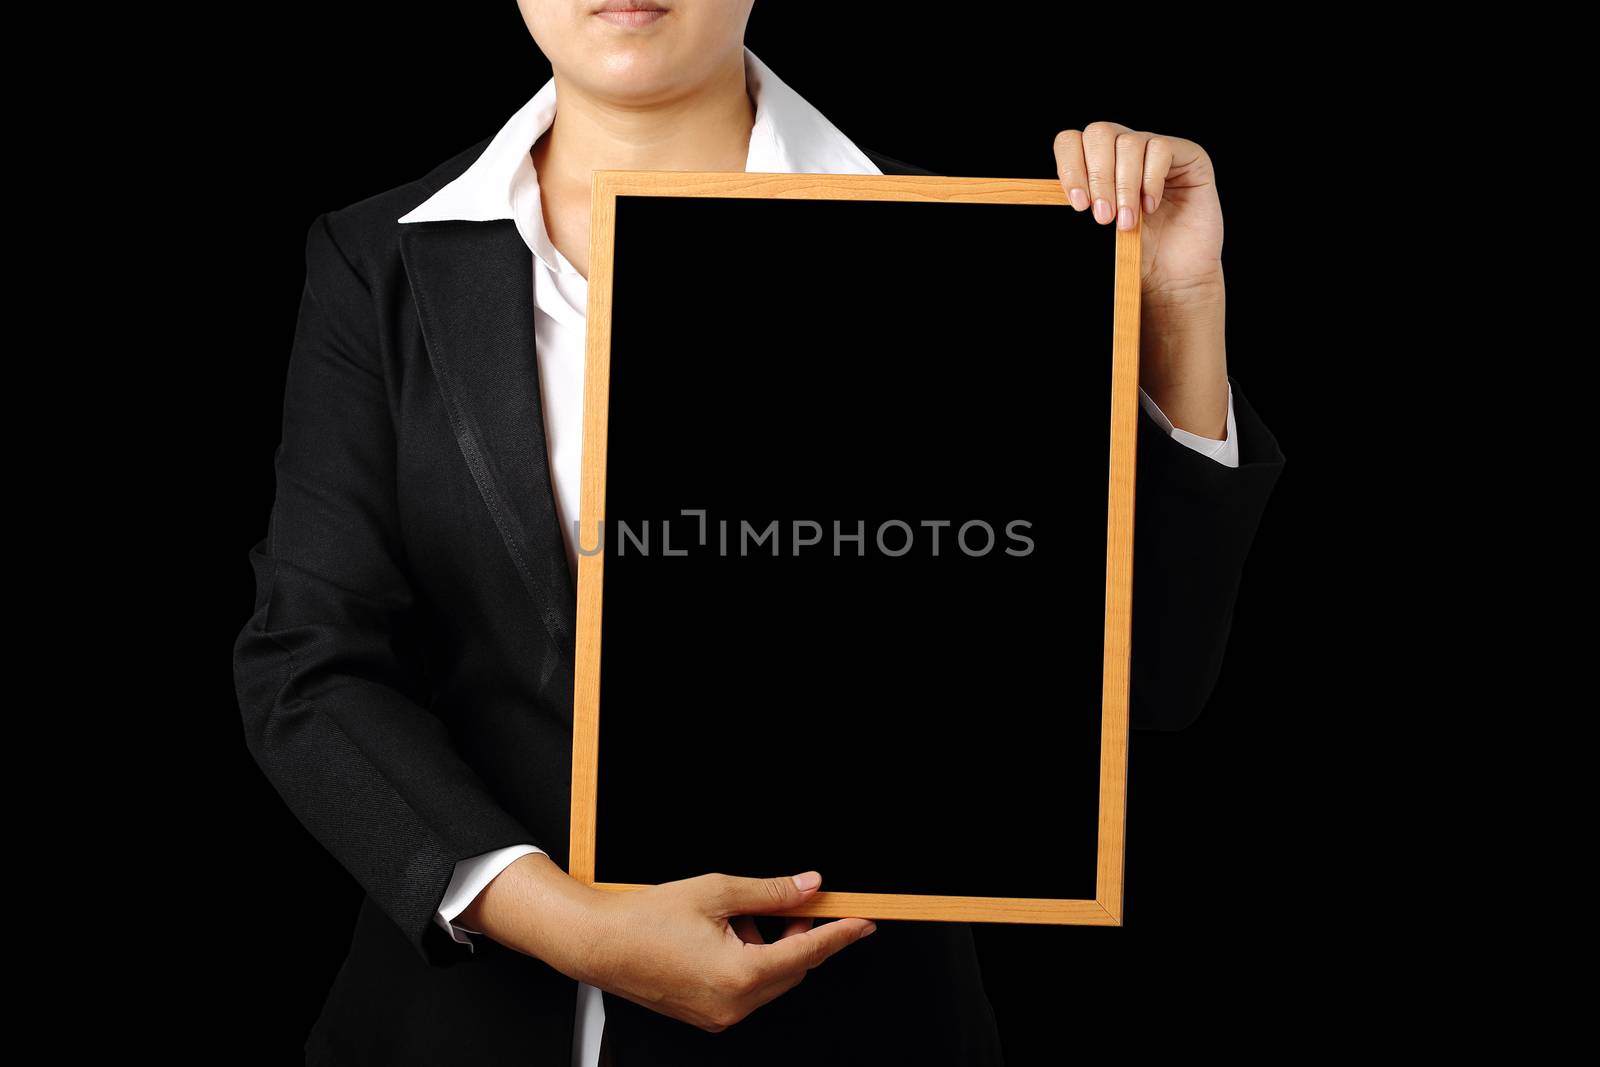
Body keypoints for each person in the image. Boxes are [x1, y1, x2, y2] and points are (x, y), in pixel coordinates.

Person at [233, 2, 1286, 1064]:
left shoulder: (975, 248)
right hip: (453, 1030)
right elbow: (312, 663)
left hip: (857, 1027)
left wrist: (1180, 309)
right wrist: (559, 920)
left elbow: (1143, 684)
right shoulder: (379, 260)